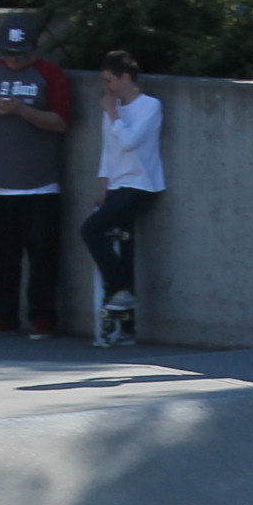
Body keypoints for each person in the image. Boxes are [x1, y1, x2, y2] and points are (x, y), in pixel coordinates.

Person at [0, 18, 73, 337]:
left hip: (39, 183)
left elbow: (60, 121)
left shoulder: (50, 75)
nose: (14, 61)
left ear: (32, 50)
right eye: (9, 53)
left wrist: (22, 110)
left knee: (42, 253)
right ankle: (2, 314)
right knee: (2, 254)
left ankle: (43, 316)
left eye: (20, 54)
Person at [81, 50, 163, 338]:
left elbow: (129, 143)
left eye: (111, 80)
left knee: (91, 231)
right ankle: (127, 326)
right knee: (123, 247)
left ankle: (121, 290)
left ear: (126, 77)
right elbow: (109, 148)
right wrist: (102, 185)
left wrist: (113, 113)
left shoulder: (150, 107)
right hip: (116, 185)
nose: (108, 87)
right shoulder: (111, 109)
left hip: (141, 184)